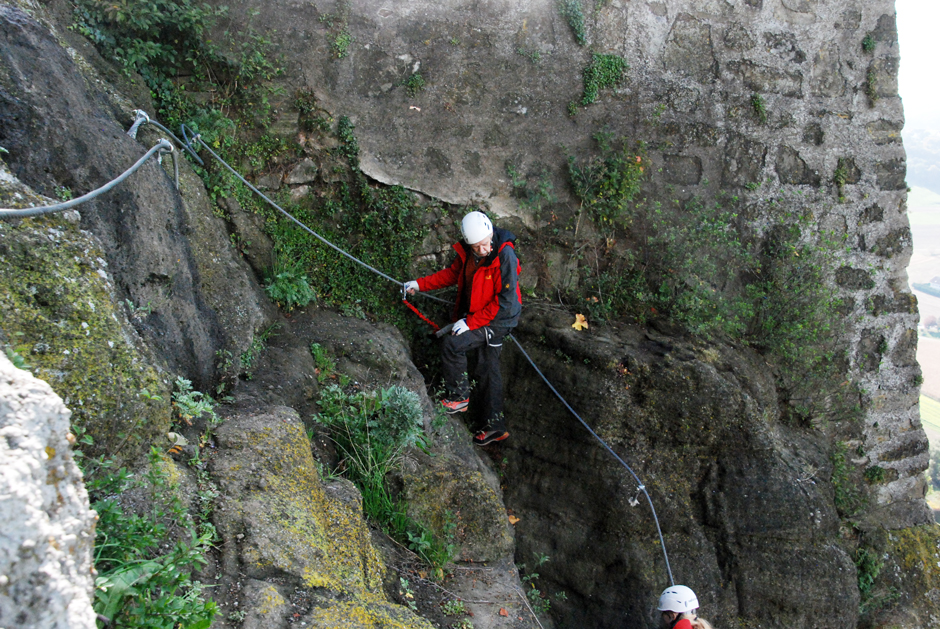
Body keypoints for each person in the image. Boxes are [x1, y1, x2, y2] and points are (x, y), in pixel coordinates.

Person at [404, 211, 522, 446]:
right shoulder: (470, 254)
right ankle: (494, 427)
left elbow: (505, 302)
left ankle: (458, 397)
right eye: (477, 247)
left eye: (485, 244)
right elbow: (452, 274)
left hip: (499, 320)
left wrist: (470, 323)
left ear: (491, 235)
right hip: (482, 317)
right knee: (487, 368)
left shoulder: (505, 255)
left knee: (453, 344)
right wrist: (419, 284)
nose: (483, 250)